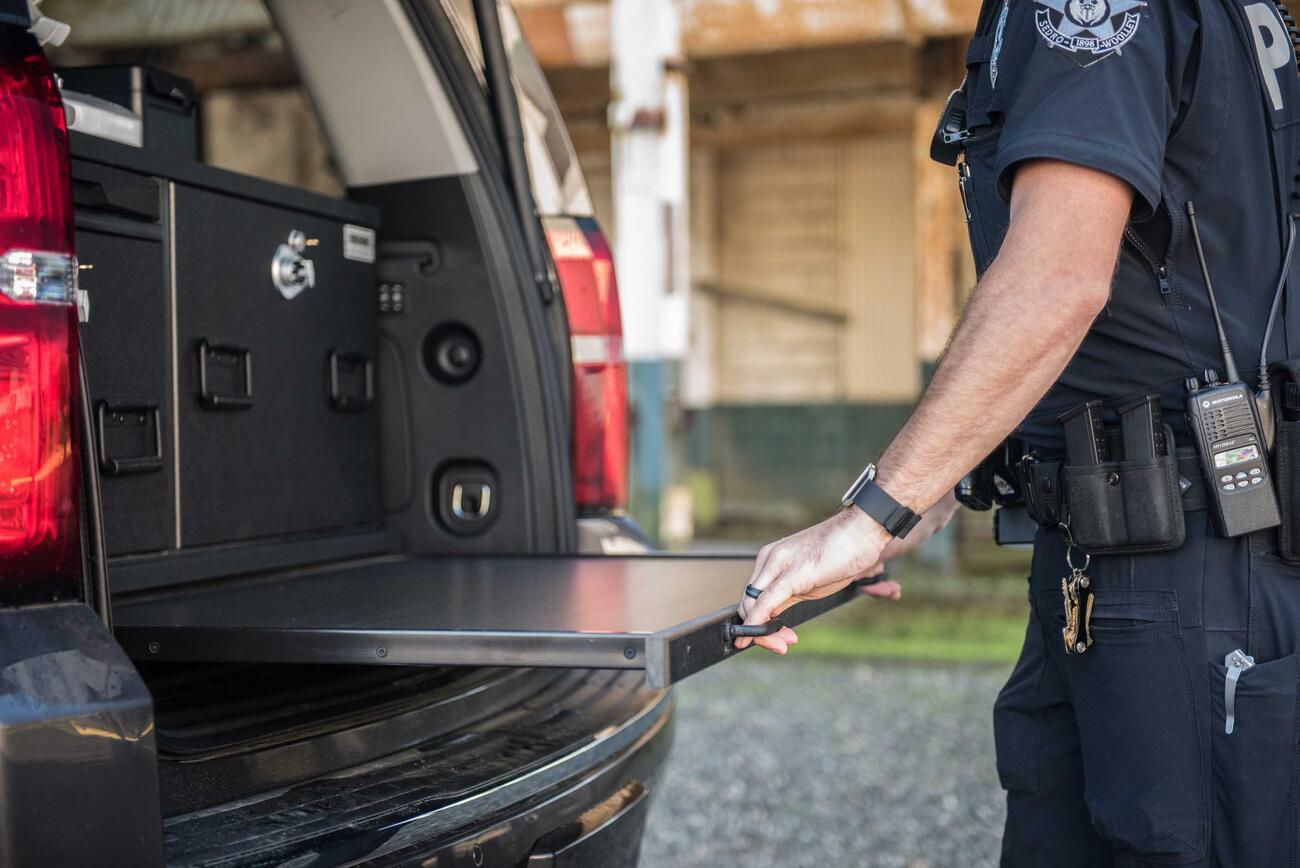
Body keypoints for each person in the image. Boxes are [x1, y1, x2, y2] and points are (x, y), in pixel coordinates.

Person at [734, 1, 1300, 864]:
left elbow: (1057, 281)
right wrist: (921, 503)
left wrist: (871, 517)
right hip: (1122, 552)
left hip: (1185, 571)